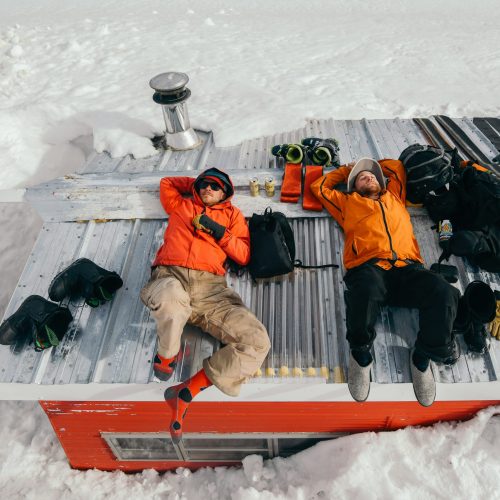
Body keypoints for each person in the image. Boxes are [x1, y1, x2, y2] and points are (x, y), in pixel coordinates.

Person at [310, 157, 460, 407]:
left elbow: (396, 166)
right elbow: (319, 187)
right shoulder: (346, 202)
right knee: (365, 290)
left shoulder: (395, 195)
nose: (367, 177)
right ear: (352, 186)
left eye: (371, 176)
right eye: (361, 177)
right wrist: (349, 169)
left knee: (444, 291)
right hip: (370, 268)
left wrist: (368, 165)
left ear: (381, 181)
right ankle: (360, 356)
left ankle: (423, 356)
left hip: (407, 268)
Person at [141, 167, 270, 441]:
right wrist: (196, 183)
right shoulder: (182, 204)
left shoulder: (232, 215)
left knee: (257, 341)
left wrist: (218, 232)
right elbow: (167, 182)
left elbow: (244, 254)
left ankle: (186, 391)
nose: (208, 189)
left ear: (226, 192)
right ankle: (166, 355)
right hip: (171, 275)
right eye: (204, 185)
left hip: (211, 290)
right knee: (171, 299)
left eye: (215, 186)